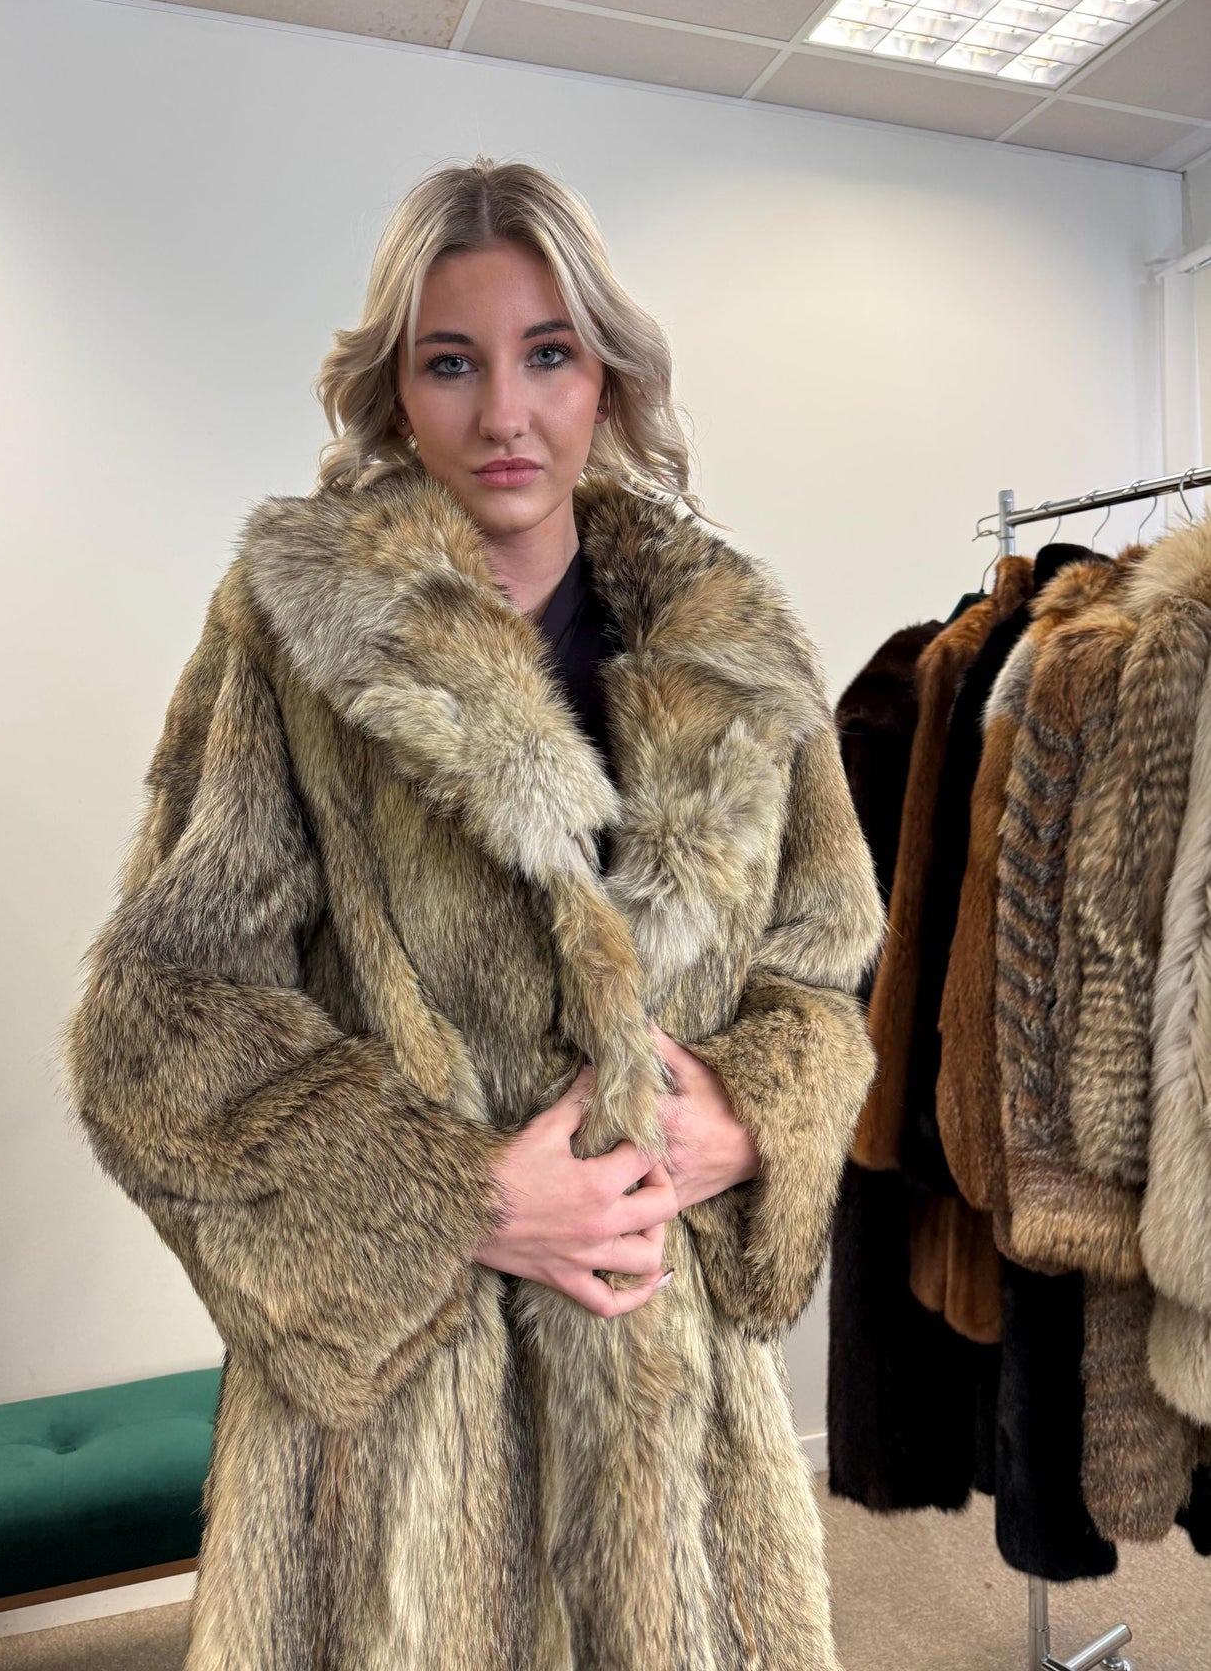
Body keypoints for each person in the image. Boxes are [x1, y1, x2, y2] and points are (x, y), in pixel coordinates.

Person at [61, 155, 885, 1670]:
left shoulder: (735, 645)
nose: (505, 413)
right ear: (395, 389)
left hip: (672, 1414)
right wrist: (455, 1196)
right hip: (403, 1445)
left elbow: (825, 971)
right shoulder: (295, 633)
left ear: (606, 377)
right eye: (452, 363)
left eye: (547, 354)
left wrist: (754, 1114)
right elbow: (157, 1027)